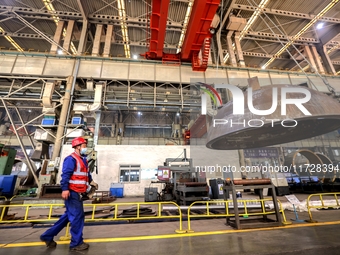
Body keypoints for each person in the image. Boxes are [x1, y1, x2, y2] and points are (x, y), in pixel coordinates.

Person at [40, 137, 98, 251]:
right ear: (77, 147)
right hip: (72, 192)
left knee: (67, 217)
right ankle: (76, 243)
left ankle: (47, 236)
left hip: (78, 192)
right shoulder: (71, 159)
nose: (86, 148)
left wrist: (91, 181)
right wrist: (65, 189)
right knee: (77, 217)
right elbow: (65, 175)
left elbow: (85, 173)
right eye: (84, 146)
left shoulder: (84, 159)